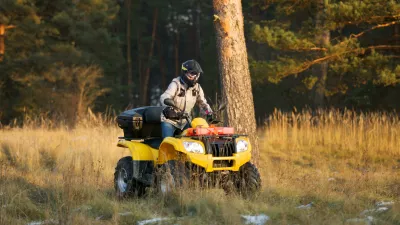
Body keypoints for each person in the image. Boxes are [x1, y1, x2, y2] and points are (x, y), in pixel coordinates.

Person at [160, 59, 213, 139]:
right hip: (170, 121)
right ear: (185, 72)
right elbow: (164, 97)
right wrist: (168, 110)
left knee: (193, 143)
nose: (195, 76)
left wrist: (208, 112)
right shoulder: (176, 84)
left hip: (185, 122)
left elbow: (203, 104)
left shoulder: (197, 88)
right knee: (167, 142)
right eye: (193, 73)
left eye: (197, 74)